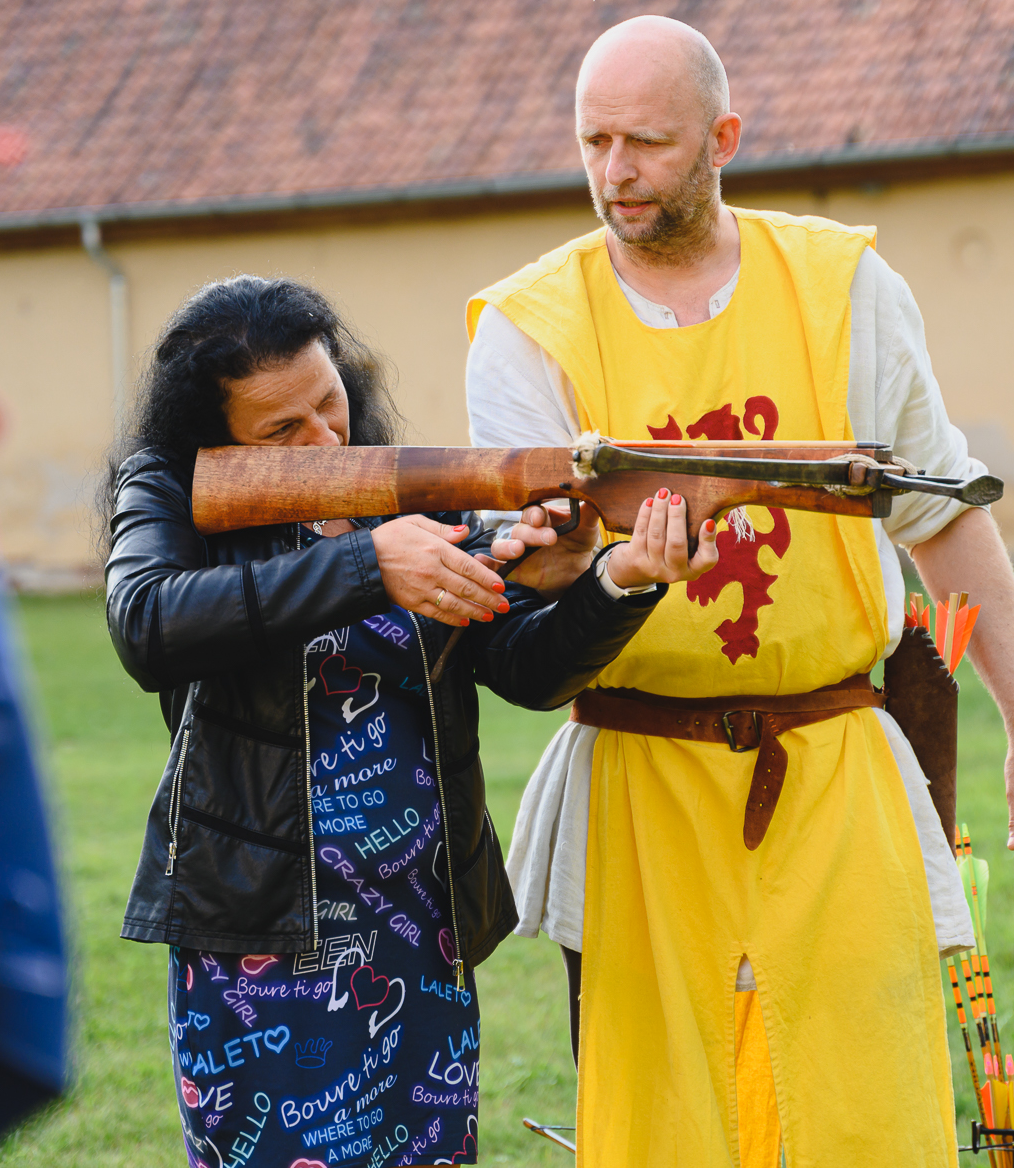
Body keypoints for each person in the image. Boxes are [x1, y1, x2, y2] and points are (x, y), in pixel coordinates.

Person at [464, 16, 1014, 1166]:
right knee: (663, 1121)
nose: (614, 171)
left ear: (721, 139)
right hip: (640, 775)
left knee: (864, 1105)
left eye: (646, 141)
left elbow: (941, 512)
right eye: (593, 141)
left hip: (832, 763)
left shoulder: (844, 288)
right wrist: (584, 564)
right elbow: (532, 598)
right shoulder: (528, 326)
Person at [105, 276, 717, 1167]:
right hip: (260, 942)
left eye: (329, 402)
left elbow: (523, 668)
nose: (325, 438)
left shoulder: (411, 487)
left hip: (419, 923)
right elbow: (147, 623)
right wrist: (368, 565)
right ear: (215, 435)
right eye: (282, 429)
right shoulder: (168, 484)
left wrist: (615, 580)